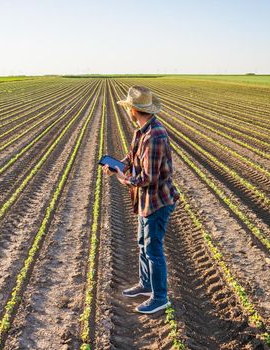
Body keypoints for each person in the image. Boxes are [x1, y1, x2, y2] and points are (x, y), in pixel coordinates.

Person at [103, 85, 180, 314]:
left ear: (134, 110)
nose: (128, 111)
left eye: (129, 107)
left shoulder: (155, 135)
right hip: (145, 201)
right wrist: (119, 164)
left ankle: (160, 297)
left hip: (157, 201)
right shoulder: (142, 130)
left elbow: (148, 177)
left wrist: (122, 178)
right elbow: (132, 155)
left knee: (153, 249)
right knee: (142, 245)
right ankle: (146, 284)